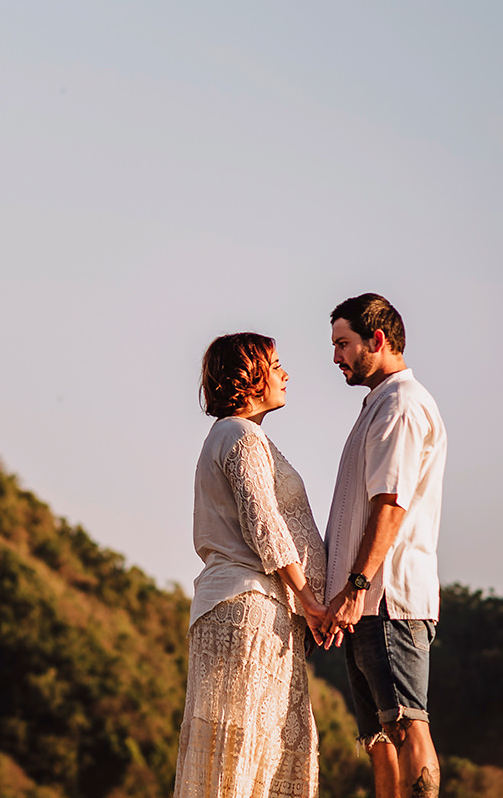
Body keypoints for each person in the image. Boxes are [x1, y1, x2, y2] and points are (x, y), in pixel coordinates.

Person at [175, 332, 333, 798]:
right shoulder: (240, 435)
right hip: (249, 605)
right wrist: (310, 601)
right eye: (276, 364)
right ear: (249, 377)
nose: (285, 374)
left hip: (249, 606)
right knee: (246, 748)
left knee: (251, 746)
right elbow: (265, 525)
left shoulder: (237, 435)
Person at [321, 293, 448, 798]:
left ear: (377, 340)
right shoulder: (379, 405)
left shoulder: (401, 405)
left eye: (343, 344)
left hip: (386, 599)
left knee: (407, 723)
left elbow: (390, 504)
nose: (336, 357)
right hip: (365, 606)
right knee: (379, 738)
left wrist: (355, 585)